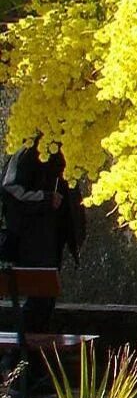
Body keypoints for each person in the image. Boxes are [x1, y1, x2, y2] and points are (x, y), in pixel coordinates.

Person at [0, 143, 86, 333]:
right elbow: (9, 188)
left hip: (53, 239)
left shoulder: (65, 147)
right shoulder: (28, 147)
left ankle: (26, 357)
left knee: (44, 303)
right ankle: (18, 357)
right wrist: (45, 199)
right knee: (39, 302)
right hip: (33, 241)